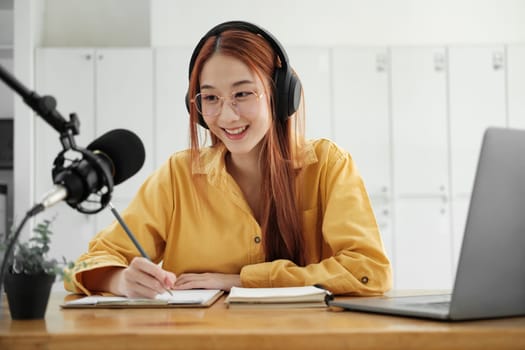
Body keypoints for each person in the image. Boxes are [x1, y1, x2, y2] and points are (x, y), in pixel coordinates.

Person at [65, 21, 392, 299]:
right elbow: (87, 264)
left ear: (279, 95)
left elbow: (369, 271)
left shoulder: (328, 166)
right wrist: (120, 280)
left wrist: (243, 281)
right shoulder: (178, 176)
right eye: (210, 98)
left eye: (242, 93)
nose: (226, 115)